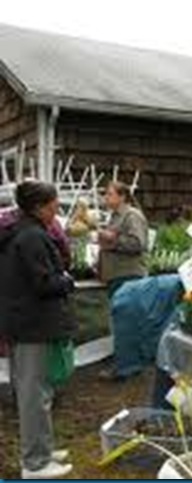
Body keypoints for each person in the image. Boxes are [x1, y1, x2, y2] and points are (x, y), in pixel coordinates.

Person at [0, 181, 76, 479]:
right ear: (39, 207)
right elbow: (44, 283)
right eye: (54, 205)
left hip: (23, 322)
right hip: (32, 325)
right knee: (34, 395)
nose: (57, 210)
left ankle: (43, 449)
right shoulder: (31, 236)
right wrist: (66, 280)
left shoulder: (20, 230)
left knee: (35, 391)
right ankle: (35, 463)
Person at [98, 181, 149, 381]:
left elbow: (137, 244)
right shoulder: (115, 216)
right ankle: (126, 361)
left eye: (110, 194)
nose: (106, 198)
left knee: (125, 321)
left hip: (128, 275)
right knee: (121, 320)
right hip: (116, 275)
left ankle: (125, 367)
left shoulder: (131, 216)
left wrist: (111, 240)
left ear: (122, 197)